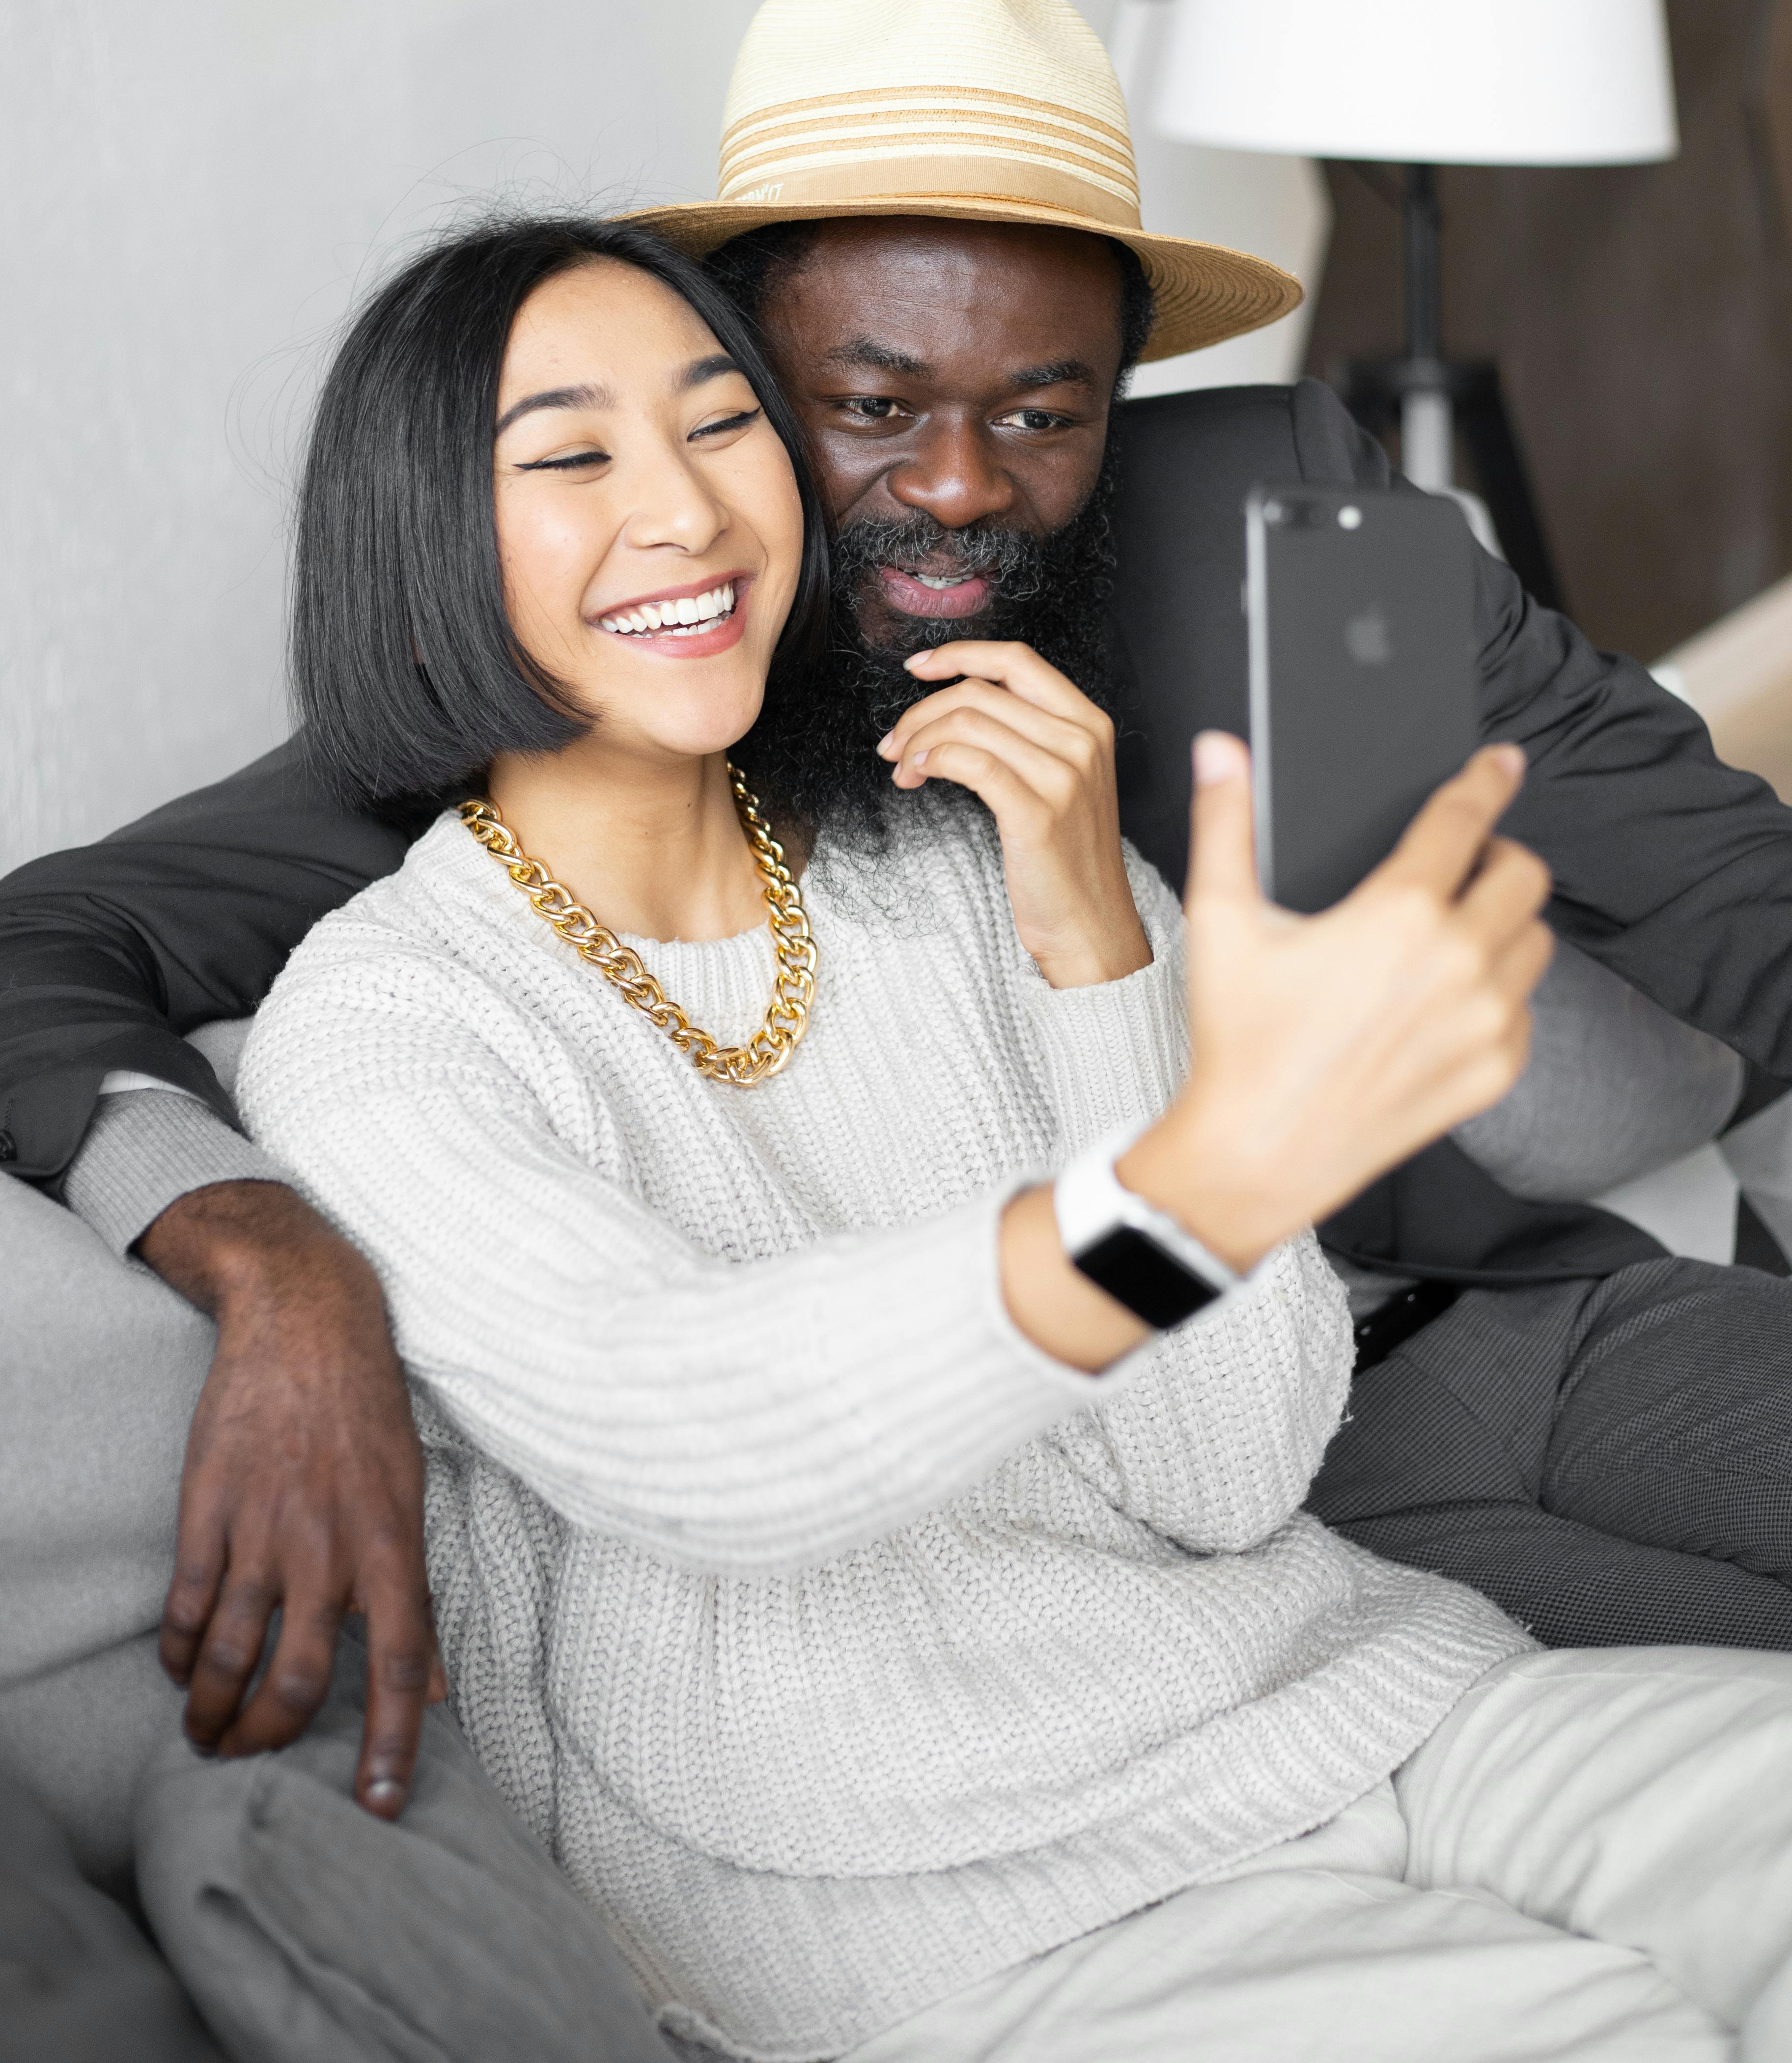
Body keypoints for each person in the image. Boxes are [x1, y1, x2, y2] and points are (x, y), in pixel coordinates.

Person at [4, 0, 1792, 1825]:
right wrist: (275, 1267)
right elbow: (48, 948)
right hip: (1214, 1495)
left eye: (1044, 411)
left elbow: (1737, 908)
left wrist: (1472, 1012)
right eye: (861, 406)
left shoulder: (1268, 506)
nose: (958, 488)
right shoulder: (578, 699)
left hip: (1511, 1303)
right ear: (743, 385)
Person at [230, 204, 1792, 2063]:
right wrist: (1200, 1178)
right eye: (573, 455)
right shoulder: (390, 1022)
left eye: (724, 423)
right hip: (952, 1913)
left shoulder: (975, 853)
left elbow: (1228, 1481)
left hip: (1370, 1705)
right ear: (420, 533)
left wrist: (1092, 934)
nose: (690, 510)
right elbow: (703, 1426)